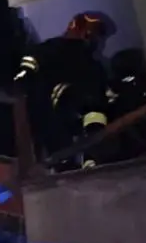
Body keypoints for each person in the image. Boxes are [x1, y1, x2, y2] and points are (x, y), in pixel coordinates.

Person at [13, 12, 112, 170]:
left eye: (98, 35)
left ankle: (88, 158)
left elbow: (96, 103)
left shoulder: (94, 67)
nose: (94, 38)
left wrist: (95, 135)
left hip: (76, 122)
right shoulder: (52, 48)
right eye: (92, 31)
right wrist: (24, 76)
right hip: (50, 114)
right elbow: (30, 64)